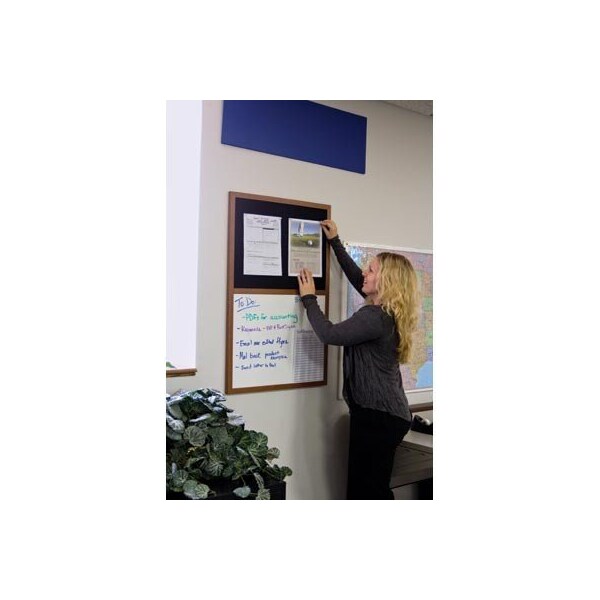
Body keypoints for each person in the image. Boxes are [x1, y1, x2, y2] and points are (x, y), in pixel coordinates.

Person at [297, 219, 419, 500]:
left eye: (371, 270)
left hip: (379, 416)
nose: (365, 272)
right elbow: (358, 279)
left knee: (367, 492)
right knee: (369, 488)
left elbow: (329, 334)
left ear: (386, 282)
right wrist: (335, 242)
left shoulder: (375, 317)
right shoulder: (389, 311)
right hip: (386, 414)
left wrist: (309, 298)